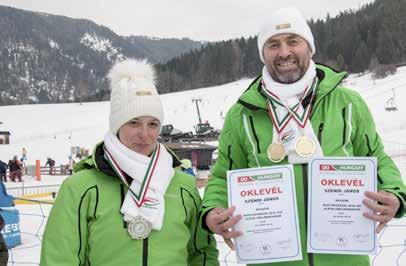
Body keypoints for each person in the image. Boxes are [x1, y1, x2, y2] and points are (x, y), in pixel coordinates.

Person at [202, 7, 406, 266]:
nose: (284, 52)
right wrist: (212, 211)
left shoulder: (348, 103)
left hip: (345, 257)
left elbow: (376, 158)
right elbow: (222, 176)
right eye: (273, 44)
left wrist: (394, 194)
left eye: (293, 41)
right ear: (263, 54)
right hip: (272, 258)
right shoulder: (241, 115)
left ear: (310, 47)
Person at [41, 59, 218, 266]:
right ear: (117, 125)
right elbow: (59, 259)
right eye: (134, 123)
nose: (144, 134)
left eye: (152, 124)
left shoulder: (183, 186)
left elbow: (202, 253)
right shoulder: (80, 188)